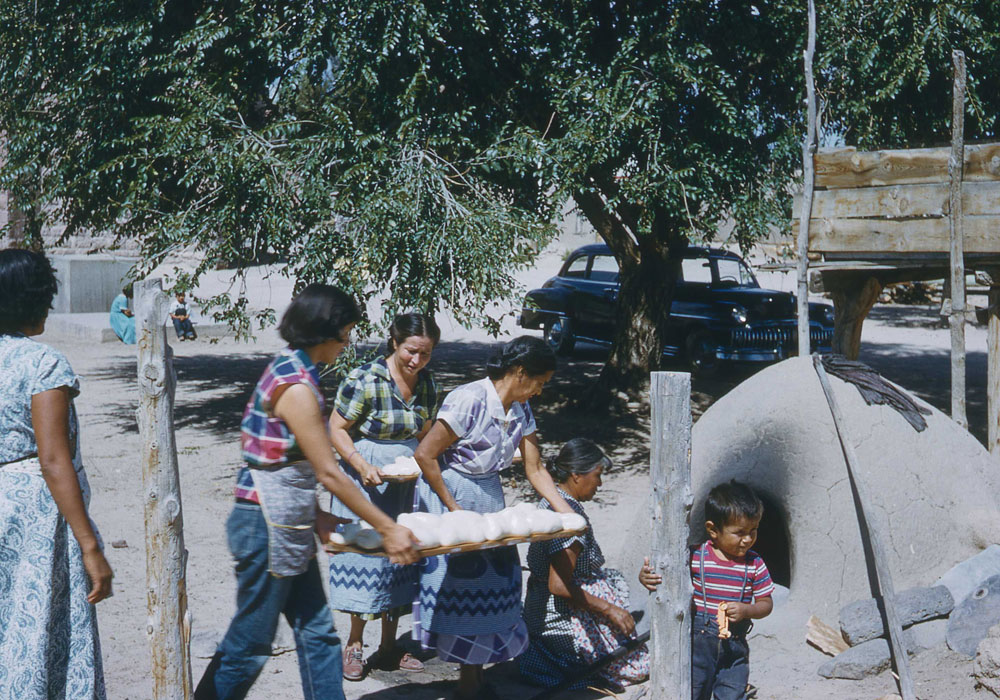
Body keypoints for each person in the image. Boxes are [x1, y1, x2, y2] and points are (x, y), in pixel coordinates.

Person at [195, 284, 419, 700]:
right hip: (265, 526)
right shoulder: (295, 387)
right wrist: (388, 529)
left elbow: (285, 464)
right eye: (346, 332)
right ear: (324, 332)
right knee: (249, 646)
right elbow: (329, 474)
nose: (348, 342)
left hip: (287, 522)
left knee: (318, 634)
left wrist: (318, 517)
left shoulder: (299, 372)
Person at [411, 335, 573, 700]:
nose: (540, 391)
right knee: (464, 583)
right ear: (519, 372)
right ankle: (467, 679)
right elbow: (426, 455)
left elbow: (535, 468)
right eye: (540, 383)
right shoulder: (469, 399)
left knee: (496, 582)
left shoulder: (520, 409)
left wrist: (567, 512)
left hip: (488, 493)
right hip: (452, 490)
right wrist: (455, 510)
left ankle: (478, 670)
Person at [0, 249, 114, 699]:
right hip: (36, 517)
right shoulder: (42, 364)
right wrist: (90, 545)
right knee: (41, 632)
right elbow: (53, 459)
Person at [327, 312, 440, 680]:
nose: (416, 361)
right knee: (365, 556)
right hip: (367, 478)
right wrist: (361, 465)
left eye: (424, 354)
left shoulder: (427, 384)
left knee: (401, 558)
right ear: (395, 342)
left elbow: (424, 431)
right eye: (411, 351)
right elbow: (337, 428)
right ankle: (354, 644)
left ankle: (389, 646)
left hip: (406, 478)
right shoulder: (365, 379)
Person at [519, 438, 653, 692]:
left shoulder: (549, 500)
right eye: (598, 475)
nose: (600, 484)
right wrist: (610, 609)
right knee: (638, 668)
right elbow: (558, 585)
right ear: (576, 475)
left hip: (537, 613)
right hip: (560, 620)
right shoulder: (570, 521)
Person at [685, 481, 774, 700]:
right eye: (739, 532)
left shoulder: (754, 564)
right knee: (694, 691)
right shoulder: (695, 557)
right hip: (698, 647)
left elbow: (766, 604)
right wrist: (646, 576)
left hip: (734, 646)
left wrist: (747, 610)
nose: (748, 539)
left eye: (753, 530)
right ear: (713, 530)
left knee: (733, 691)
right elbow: (664, 576)